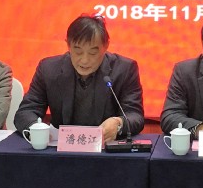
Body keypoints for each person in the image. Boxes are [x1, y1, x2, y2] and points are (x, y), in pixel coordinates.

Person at [14, 14, 144, 142]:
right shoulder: (48, 69)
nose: (85, 60)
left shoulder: (124, 69)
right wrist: (36, 129)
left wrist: (118, 123)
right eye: (78, 51)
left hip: (105, 147)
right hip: (60, 147)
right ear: (68, 45)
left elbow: (135, 115)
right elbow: (26, 111)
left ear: (106, 46)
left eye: (93, 52)